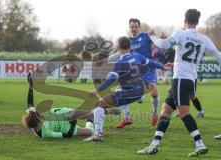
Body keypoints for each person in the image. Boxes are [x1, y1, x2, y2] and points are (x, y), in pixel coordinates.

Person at [138, 9, 221, 157]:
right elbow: (218, 56)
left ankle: (199, 144)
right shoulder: (204, 39)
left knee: (184, 113)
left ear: (185, 20)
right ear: (197, 21)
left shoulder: (181, 34)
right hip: (190, 79)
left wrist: (152, 37)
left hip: (180, 79)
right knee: (165, 111)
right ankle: (154, 145)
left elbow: (163, 44)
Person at [84, 36, 168, 141]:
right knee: (105, 102)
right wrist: (163, 67)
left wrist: (97, 90)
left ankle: (97, 135)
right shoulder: (137, 56)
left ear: (118, 47)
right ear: (130, 46)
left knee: (99, 104)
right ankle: (118, 108)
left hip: (129, 92)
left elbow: (110, 80)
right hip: (139, 90)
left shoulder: (120, 63)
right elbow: (151, 63)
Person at [109, 18, 160, 128]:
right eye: (132, 27)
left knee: (154, 93)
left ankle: (155, 113)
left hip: (148, 69)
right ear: (129, 27)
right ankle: (126, 118)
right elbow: (118, 54)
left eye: (136, 26)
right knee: (122, 89)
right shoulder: (128, 41)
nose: (134, 29)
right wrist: (105, 60)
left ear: (139, 27)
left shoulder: (146, 36)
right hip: (134, 71)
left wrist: (161, 41)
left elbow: (157, 43)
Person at [22, 107, 94, 138]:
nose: (43, 119)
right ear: (37, 124)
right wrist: (73, 123)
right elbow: (67, 135)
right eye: (41, 119)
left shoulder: (33, 120)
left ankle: (98, 112)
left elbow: (31, 110)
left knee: (90, 113)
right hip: (66, 127)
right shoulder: (46, 133)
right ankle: (89, 120)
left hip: (62, 113)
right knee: (91, 132)